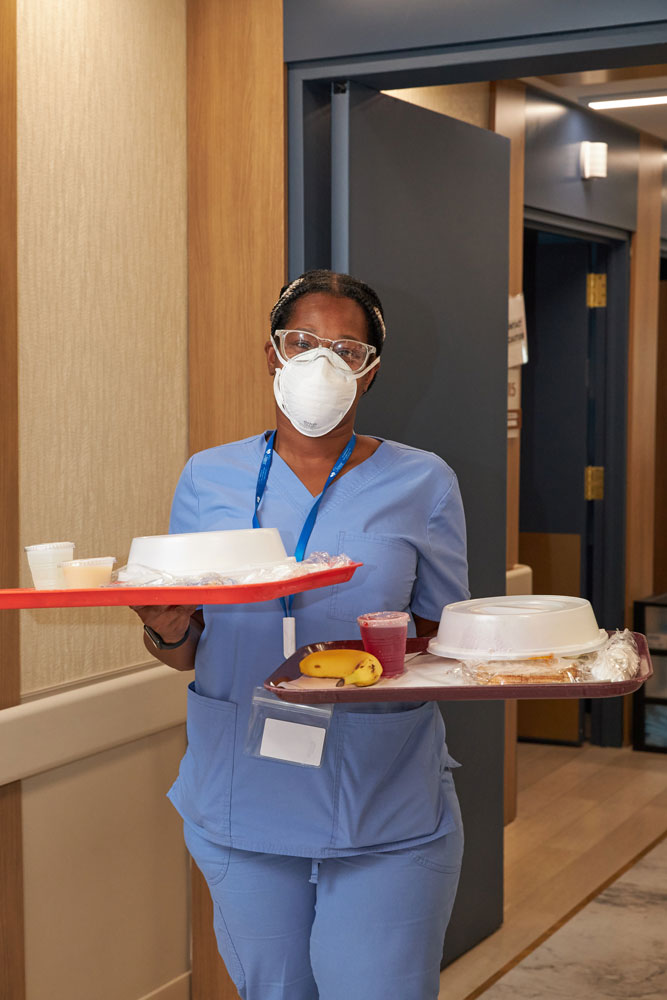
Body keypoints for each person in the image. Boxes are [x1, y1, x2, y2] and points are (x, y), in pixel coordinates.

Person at [132, 270, 469, 1000]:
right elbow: (186, 643)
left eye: (347, 349)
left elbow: (445, 636)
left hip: (381, 797)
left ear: (370, 373)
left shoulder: (424, 482)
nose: (322, 361)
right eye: (303, 341)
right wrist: (164, 632)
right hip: (243, 794)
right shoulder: (207, 478)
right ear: (271, 356)